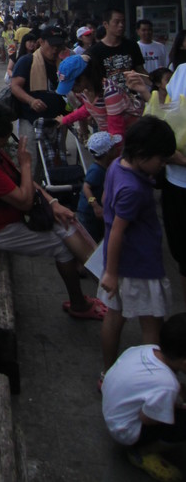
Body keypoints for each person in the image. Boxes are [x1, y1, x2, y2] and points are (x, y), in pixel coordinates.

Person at [0, 101, 105, 319]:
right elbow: (25, 201)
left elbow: (21, 181)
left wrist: (53, 203)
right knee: (63, 246)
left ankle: (101, 276)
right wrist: (27, 164)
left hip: (8, 217)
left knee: (64, 222)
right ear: (0, 132)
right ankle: (91, 293)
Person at [98, 116, 176, 385]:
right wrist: (110, 272)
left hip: (119, 262)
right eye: (161, 160)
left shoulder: (117, 167)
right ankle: (151, 383)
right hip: (139, 264)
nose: (163, 166)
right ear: (143, 154)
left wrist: (111, 269)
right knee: (152, 324)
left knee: (114, 315)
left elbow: (108, 205)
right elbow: (120, 228)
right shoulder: (134, 188)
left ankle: (107, 373)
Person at [102, 313, 186, 482]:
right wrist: (171, 408)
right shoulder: (168, 385)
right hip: (125, 430)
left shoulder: (146, 349)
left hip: (111, 410)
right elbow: (147, 418)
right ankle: (141, 452)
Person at [10, 25, 67, 175]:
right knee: (32, 162)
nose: (55, 49)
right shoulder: (27, 61)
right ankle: (31, 194)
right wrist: (31, 101)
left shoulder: (62, 64)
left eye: (58, 46)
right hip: (31, 121)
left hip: (56, 122)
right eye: (52, 45)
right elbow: (15, 86)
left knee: (55, 162)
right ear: (41, 42)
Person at [54, 54, 145, 138]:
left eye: (72, 85)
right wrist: (65, 120)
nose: (71, 90)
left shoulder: (110, 93)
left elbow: (117, 131)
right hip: (111, 137)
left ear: (83, 78)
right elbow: (88, 108)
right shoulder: (84, 90)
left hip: (131, 138)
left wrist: (111, 152)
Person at [76, 131, 122, 242]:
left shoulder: (105, 167)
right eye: (114, 147)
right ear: (108, 152)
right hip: (88, 214)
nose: (117, 149)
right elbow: (86, 187)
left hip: (94, 213)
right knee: (92, 239)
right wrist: (95, 206)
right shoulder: (96, 171)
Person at [88, 8, 147, 92]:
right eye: (116, 22)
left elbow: (140, 70)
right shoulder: (95, 51)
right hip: (109, 99)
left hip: (132, 98)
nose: (121, 25)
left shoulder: (132, 46)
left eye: (123, 21)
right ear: (106, 24)